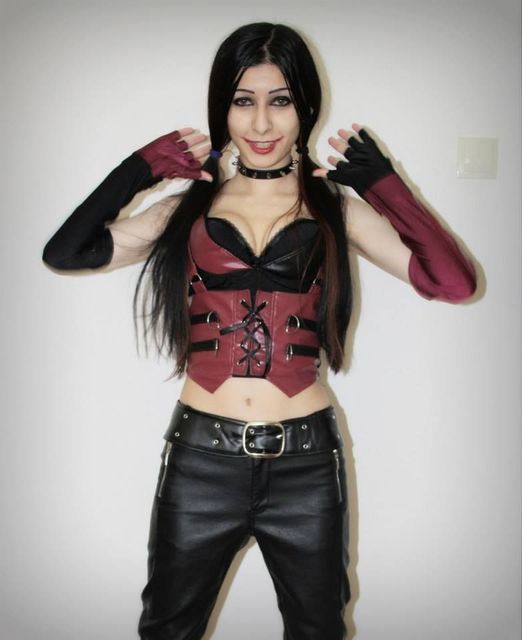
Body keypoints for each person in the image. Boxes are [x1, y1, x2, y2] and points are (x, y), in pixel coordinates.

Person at [42, 21, 477, 640]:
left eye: (281, 101)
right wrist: (138, 170)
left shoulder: (333, 208)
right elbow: (66, 251)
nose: (262, 123)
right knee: (167, 629)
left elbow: (453, 282)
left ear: (306, 109)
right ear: (223, 108)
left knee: (318, 630)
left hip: (307, 463)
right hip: (200, 460)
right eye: (244, 101)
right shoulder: (186, 209)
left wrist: (385, 187)